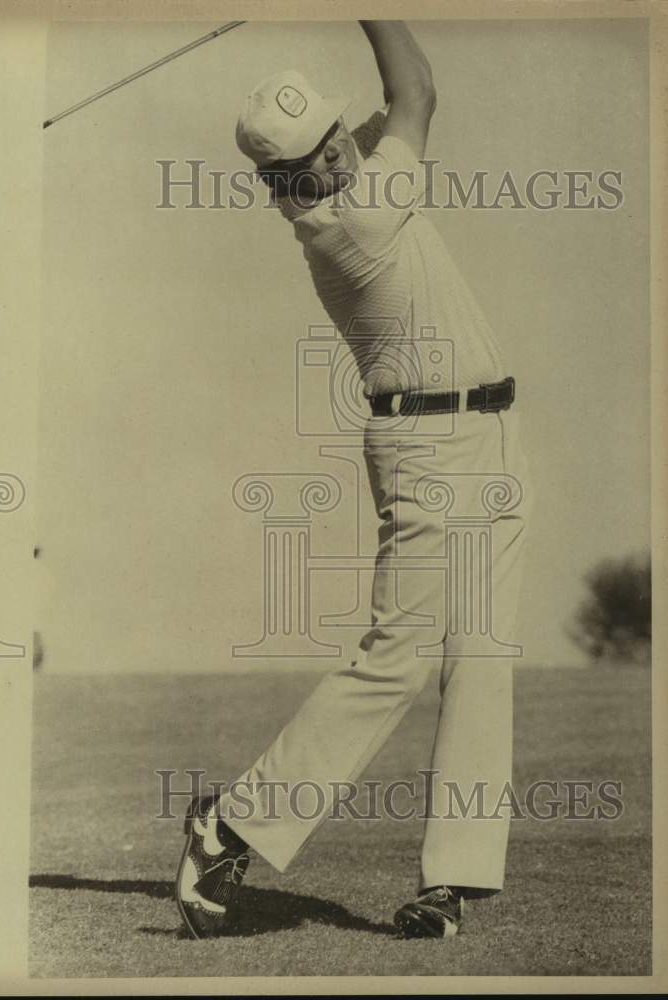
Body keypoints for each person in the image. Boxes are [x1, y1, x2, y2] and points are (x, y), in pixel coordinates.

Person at [175, 20, 531, 941]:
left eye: (336, 138)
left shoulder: (344, 181)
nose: (336, 156)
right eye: (313, 157)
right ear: (284, 184)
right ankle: (228, 824)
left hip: (490, 435)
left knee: (482, 657)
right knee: (397, 658)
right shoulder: (352, 219)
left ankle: (447, 883)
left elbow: (383, 117)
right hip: (427, 448)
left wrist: (346, 127)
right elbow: (415, 89)